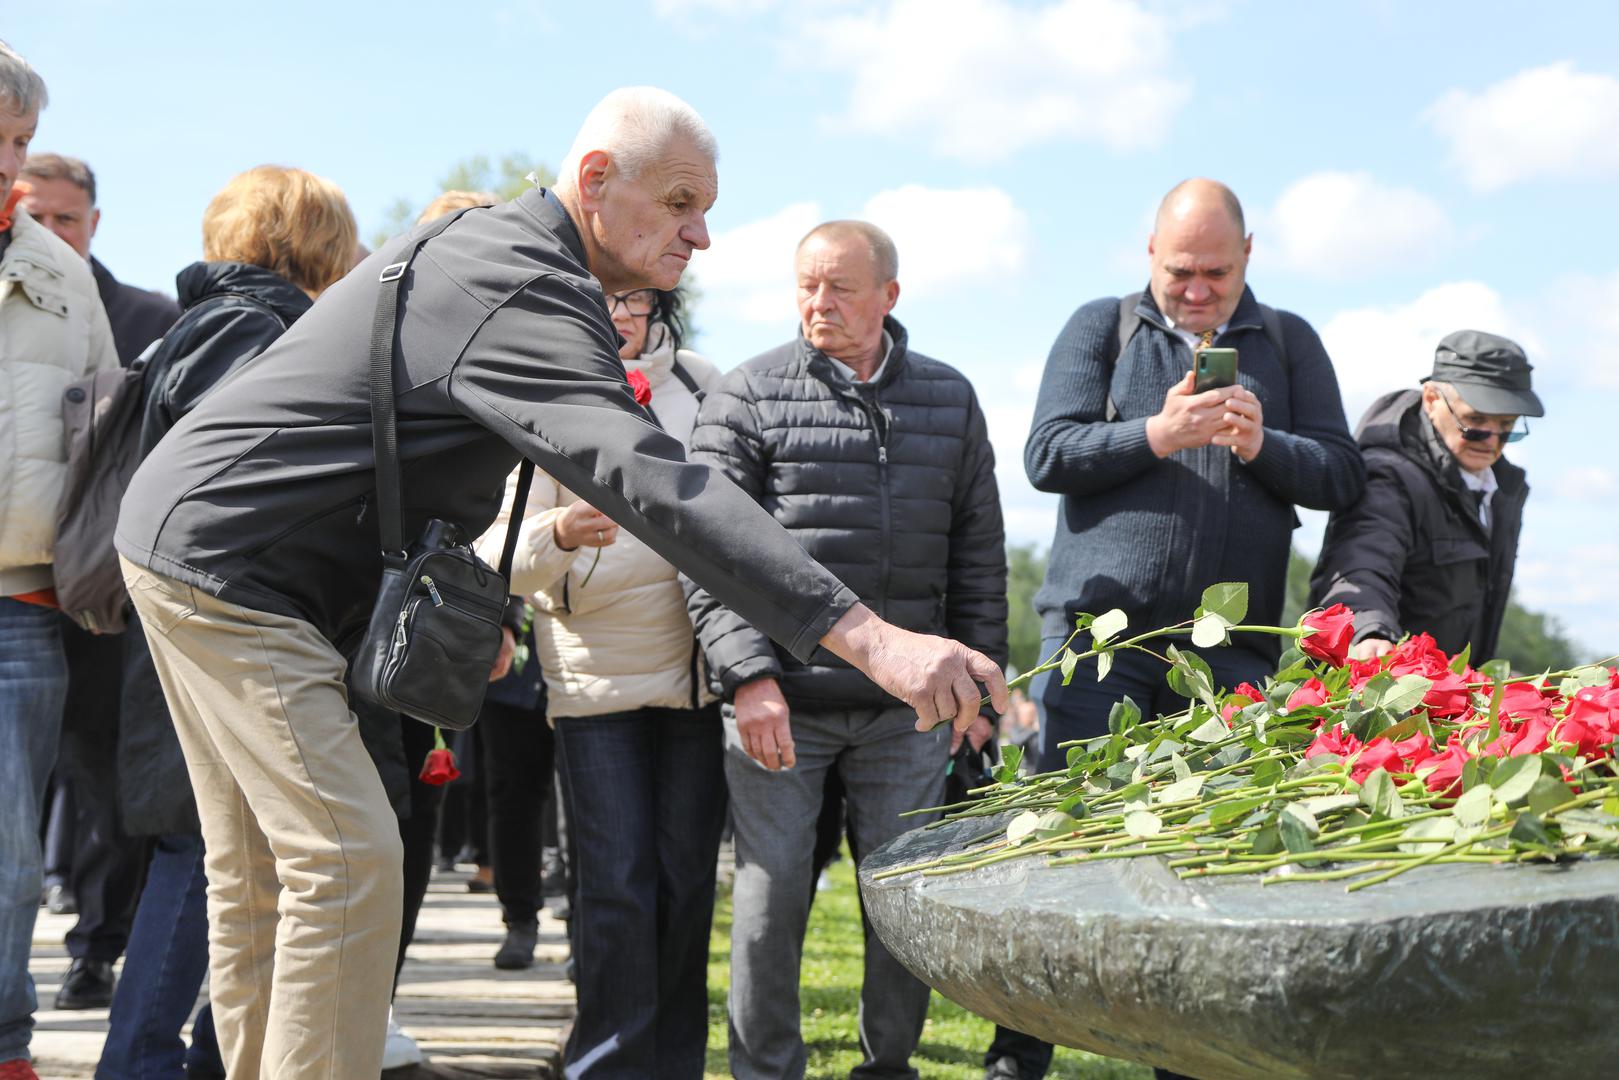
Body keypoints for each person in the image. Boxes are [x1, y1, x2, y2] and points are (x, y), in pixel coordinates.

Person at [113, 87, 1006, 1080]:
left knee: (269, 876)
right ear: (594, 181)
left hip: (200, 541)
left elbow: (424, 447)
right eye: (678, 203)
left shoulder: (505, 261)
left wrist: (471, 593)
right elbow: (654, 482)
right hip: (235, 568)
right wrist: (872, 639)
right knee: (347, 859)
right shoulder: (522, 283)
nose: (701, 235)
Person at [994, 178, 1364, 1080]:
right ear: (1147, 253)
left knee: (1206, 861)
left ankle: (1191, 1061)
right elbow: (1047, 452)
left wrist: (1259, 446)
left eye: (1215, 272)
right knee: (1062, 843)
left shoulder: (1289, 342)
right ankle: (1019, 1054)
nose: (1196, 290)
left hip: (1227, 652)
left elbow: (1342, 473)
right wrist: (1154, 435)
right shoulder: (1100, 327)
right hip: (1096, 640)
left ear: (1248, 257)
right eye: (1179, 271)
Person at [685, 219, 1008, 1080]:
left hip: (911, 712)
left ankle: (888, 1067)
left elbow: (977, 556)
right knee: (770, 896)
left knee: (897, 903)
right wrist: (748, 677)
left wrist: (978, 691)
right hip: (781, 705)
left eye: (839, 287)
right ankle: (764, 1071)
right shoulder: (746, 394)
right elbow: (711, 552)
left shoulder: (950, 398)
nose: (818, 303)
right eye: (806, 286)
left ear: (888, 297)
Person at [98, 165, 357, 1080]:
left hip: (199, 616)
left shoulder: (210, 322)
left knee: (230, 855)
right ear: (318, 243)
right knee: (202, 848)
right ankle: (135, 1063)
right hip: (222, 619)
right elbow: (234, 483)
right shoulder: (250, 328)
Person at [477, 279, 723, 1073]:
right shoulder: (543, 389)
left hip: (697, 674)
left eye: (636, 302)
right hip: (591, 680)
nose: (620, 316)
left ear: (661, 307)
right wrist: (560, 528)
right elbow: (500, 556)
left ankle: (675, 1060)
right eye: (604, 300)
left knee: (687, 885)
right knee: (615, 887)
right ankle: (609, 1062)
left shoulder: (703, 386)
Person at [19, 151, 180, 1012]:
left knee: (102, 779)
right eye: (34, 216)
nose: (52, 233)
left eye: (67, 219)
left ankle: (96, 945)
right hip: (12, 577)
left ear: (95, 223)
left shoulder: (152, 318)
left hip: (97, 588)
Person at [0, 40, 119, 1080]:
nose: (13, 167)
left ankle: (4, 1043)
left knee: (7, 865)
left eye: (22, 143)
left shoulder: (61, 272)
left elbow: (107, 433)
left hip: (19, 607)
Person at [1309, 331, 1541, 662]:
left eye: (1506, 426)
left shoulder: (1501, 489)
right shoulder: (1388, 477)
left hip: (1448, 697)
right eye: (1474, 421)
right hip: (1382, 689)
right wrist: (1369, 630)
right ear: (1432, 400)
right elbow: (1362, 563)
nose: (1490, 439)